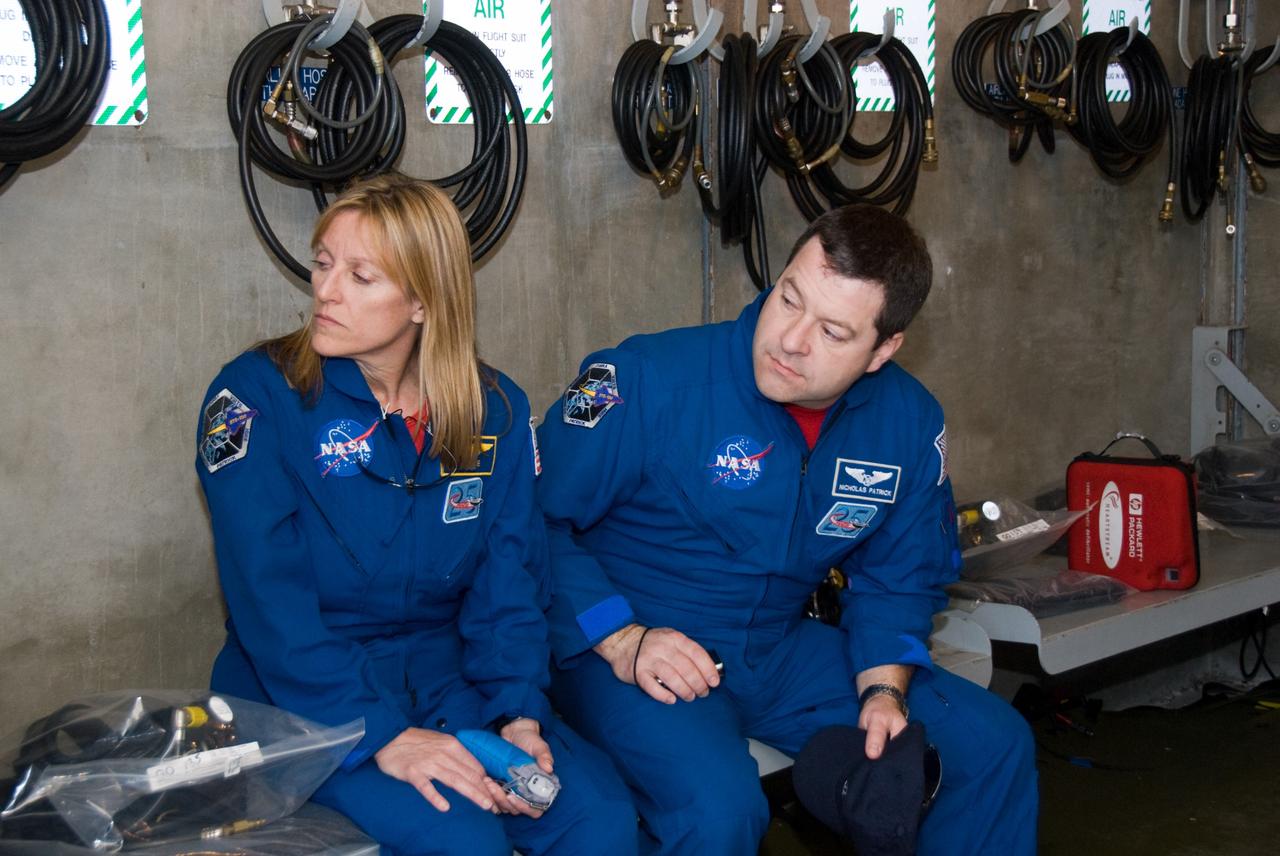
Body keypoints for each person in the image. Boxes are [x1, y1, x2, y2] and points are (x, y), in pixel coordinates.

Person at [536, 205, 1038, 854]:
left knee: (992, 746)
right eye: (788, 298)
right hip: (625, 645)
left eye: (833, 331)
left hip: (773, 646)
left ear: (883, 348)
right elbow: (529, 522)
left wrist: (884, 690)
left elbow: (898, 578)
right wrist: (621, 637)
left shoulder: (905, 425)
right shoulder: (647, 381)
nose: (792, 340)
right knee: (718, 812)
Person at [195, 174, 637, 856]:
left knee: (598, 819)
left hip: (445, 677)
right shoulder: (259, 398)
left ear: (424, 302)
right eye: (323, 263)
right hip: (306, 697)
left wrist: (517, 712)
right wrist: (383, 736)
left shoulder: (495, 411)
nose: (326, 290)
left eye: (361, 276)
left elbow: (509, 583)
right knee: (463, 840)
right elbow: (270, 605)